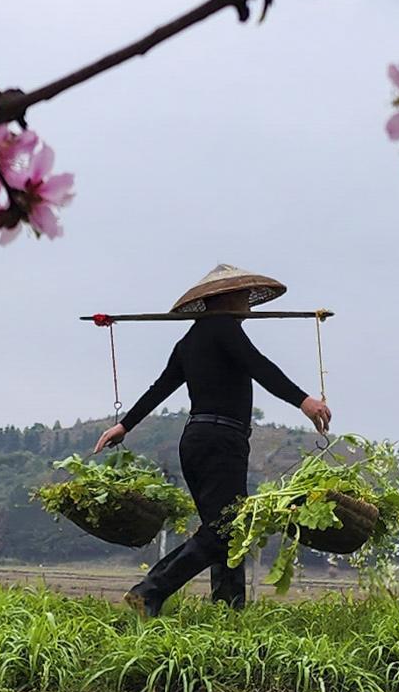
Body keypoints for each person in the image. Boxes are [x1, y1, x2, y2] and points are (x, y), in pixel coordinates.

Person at [91, 263, 332, 614]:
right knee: (225, 528)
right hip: (221, 439)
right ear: (225, 297)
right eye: (244, 295)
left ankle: (228, 608)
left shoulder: (190, 339)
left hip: (197, 440)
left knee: (227, 529)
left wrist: (125, 426)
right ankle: (150, 590)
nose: (249, 302)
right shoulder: (223, 327)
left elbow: (160, 387)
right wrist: (304, 401)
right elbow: (259, 366)